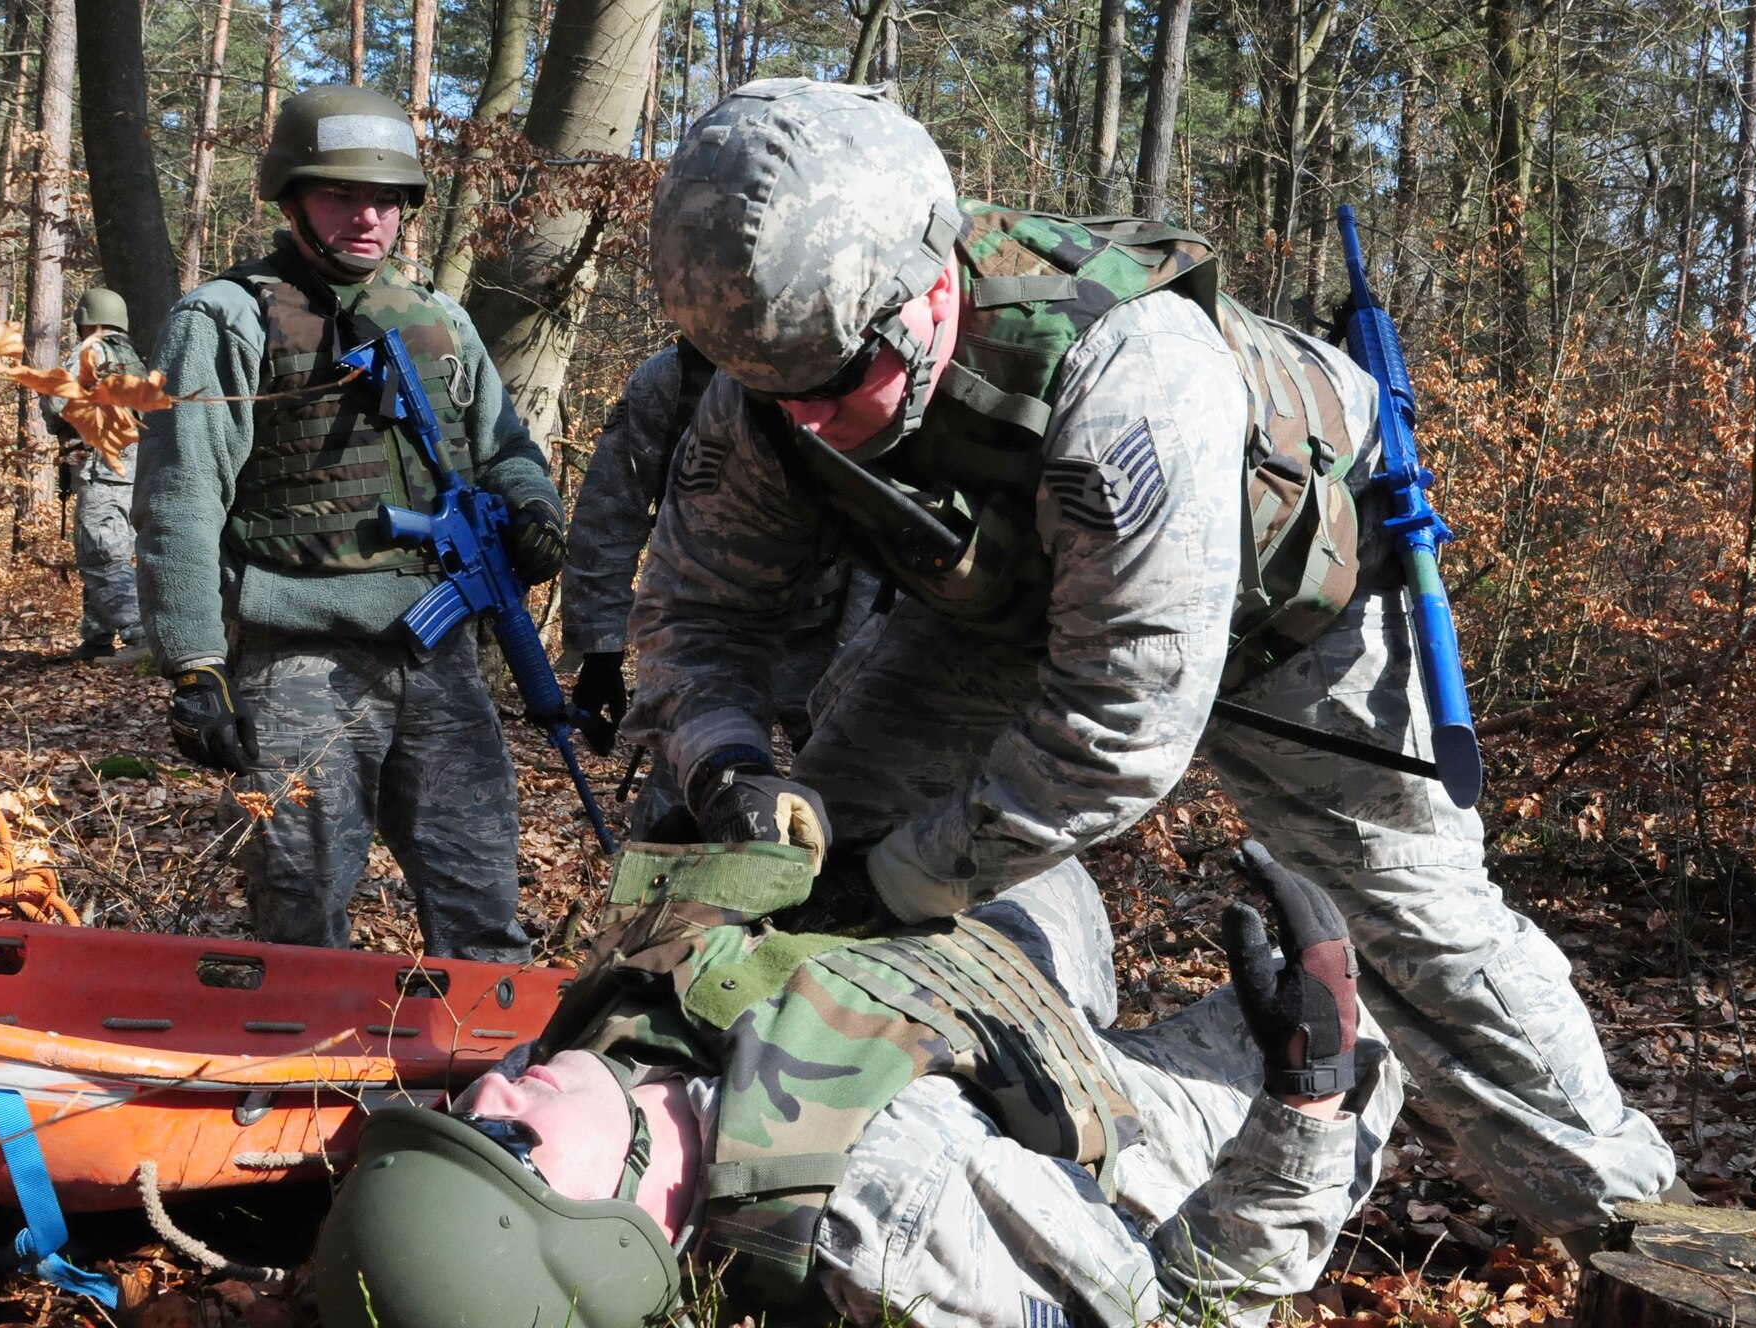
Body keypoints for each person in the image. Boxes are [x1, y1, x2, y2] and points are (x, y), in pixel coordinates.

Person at [622, 78, 1684, 1258]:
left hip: (1296, 612)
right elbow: (693, 613)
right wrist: (726, 767)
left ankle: (1639, 1231)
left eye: (836, 380)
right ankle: (818, 1187)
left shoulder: (1130, 373)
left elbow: (1118, 723)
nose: (810, 421)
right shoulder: (771, 381)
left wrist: (924, 874)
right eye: (779, 391)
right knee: (817, 873)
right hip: (1000, 603)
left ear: (930, 287)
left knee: (1418, 933)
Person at [313, 838, 1403, 1328]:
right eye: (507, 1147)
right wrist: (1304, 1093)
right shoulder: (887, 1207)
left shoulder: (609, 1059)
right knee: (1395, 983)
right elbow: (1173, 1314)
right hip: (1100, 1091)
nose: (491, 1094)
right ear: (608, 1232)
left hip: (970, 960)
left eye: (454, 1117)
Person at [131, 85, 567, 962]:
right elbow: (182, 495)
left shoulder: (441, 322)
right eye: (340, 195)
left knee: (481, 898)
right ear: (290, 198)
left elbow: (505, 444)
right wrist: (194, 662)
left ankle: (489, 1079)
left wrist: (533, 510)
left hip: (438, 655)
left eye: (386, 199)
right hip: (299, 655)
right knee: (299, 903)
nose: (366, 217)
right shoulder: (226, 318)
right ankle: (301, 1081)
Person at [561, 339, 869, 830]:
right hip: (711, 635)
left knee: (852, 816)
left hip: (828, 637)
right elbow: (609, 510)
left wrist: (860, 658)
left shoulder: (860, 370)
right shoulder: (672, 379)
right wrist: (600, 643)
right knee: (686, 809)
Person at [48, 288, 149, 666]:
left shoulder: (91, 349)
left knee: (100, 553)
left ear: (87, 320)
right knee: (113, 549)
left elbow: (57, 400)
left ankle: (138, 635)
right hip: (134, 469)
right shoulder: (131, 357)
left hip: (102, 466)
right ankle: (97, 637)